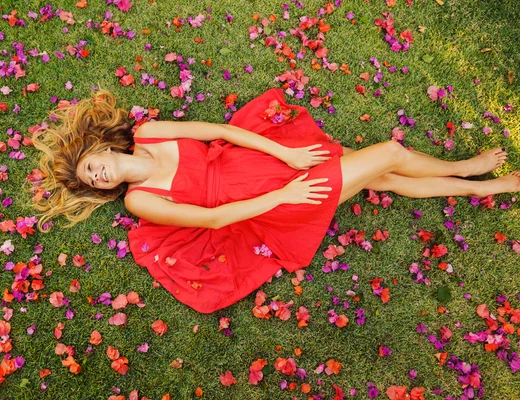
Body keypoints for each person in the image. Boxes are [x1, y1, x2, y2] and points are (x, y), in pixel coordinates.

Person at [32, 87, 518, 313]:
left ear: (102, 148)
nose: (98, 175)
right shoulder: (140, 200)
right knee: (388, 154)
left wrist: (282, 151)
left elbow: (221, 131)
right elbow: (216, 218)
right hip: (272, 200)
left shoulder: (151, 133)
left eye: (92, 164)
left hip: (263, 163)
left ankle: (474, 180)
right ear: (102, 188)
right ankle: (470, 174)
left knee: (384, 177)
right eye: (92, 181)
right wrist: (285, 194)